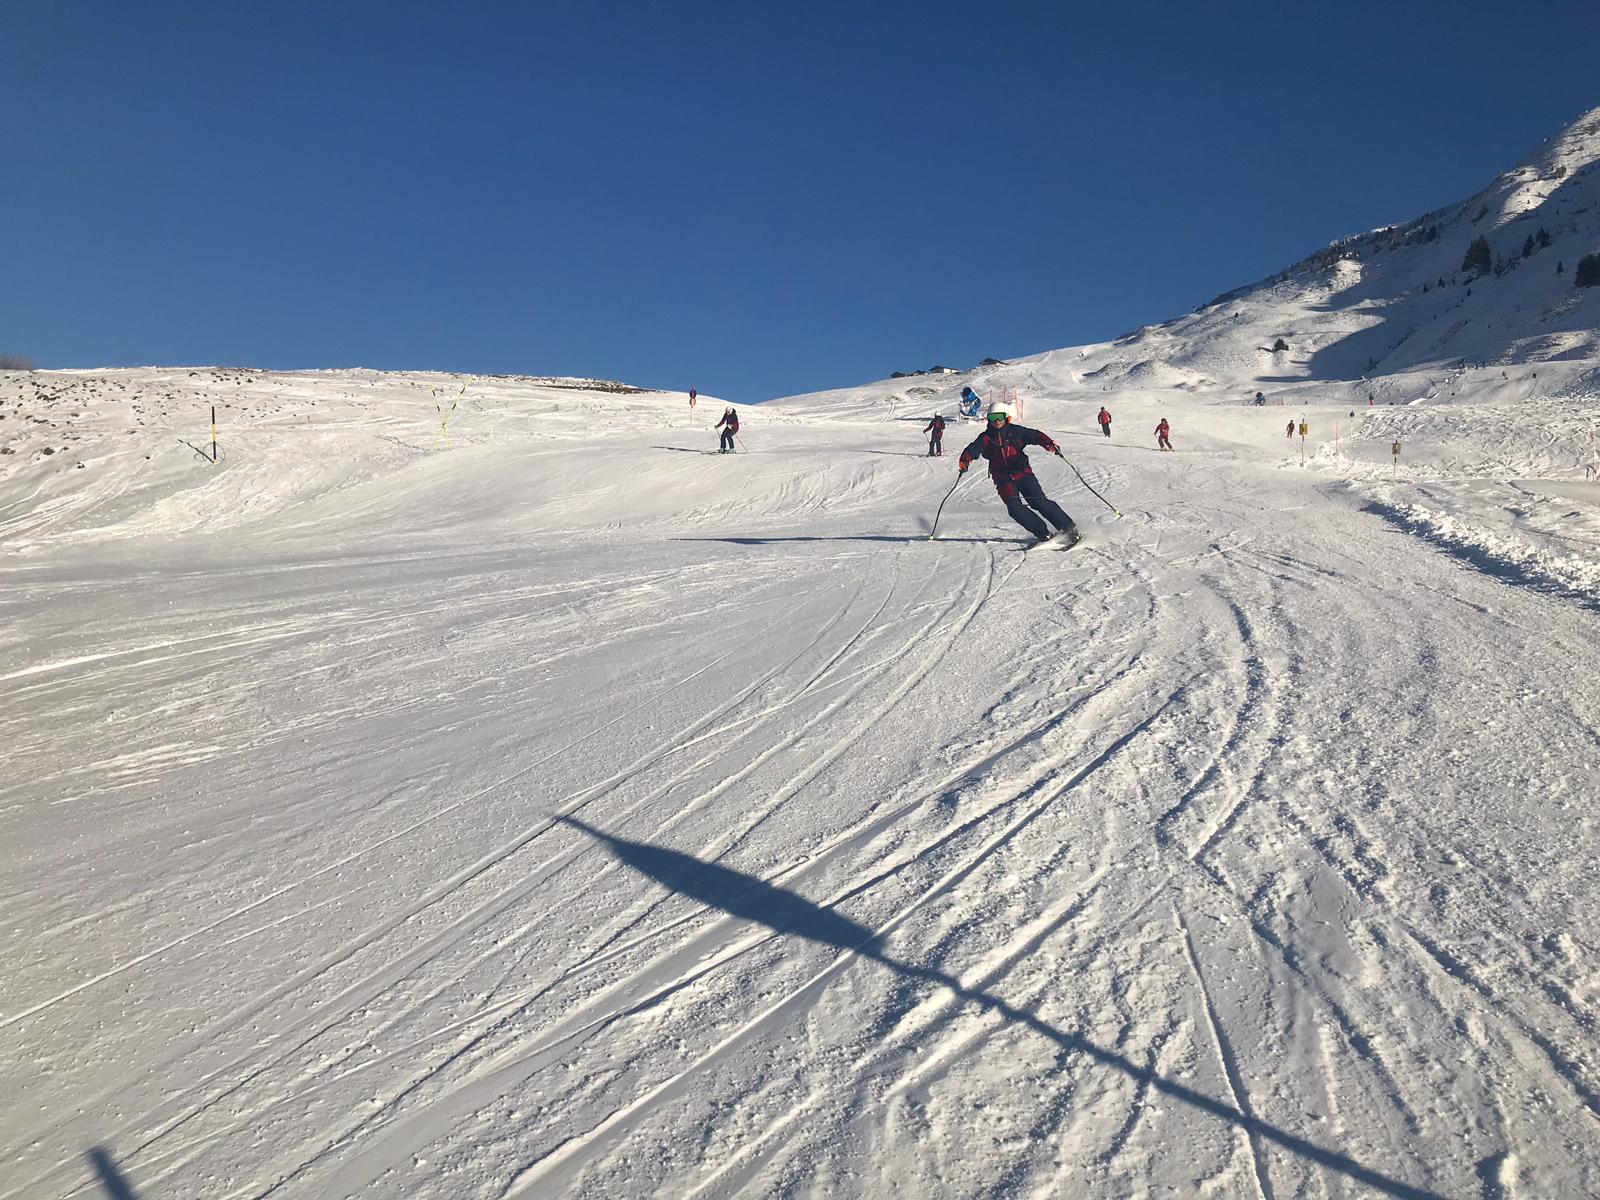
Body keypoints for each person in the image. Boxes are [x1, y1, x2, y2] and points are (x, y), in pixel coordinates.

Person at [957, 403, 1080, 545]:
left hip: (1023, 474)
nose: (997, 421)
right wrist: (965, 460)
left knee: (1039, 502)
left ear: (1006, 418)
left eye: (1000, 417)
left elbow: (1035, 436)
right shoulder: (985, 438)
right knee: (1014, 508)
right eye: (993, 417)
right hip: (1003, 478)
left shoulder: (1016, 432)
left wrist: (1049, 444)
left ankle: (1070, 529)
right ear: (988, 419)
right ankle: (1044, 534)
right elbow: (973, 449)